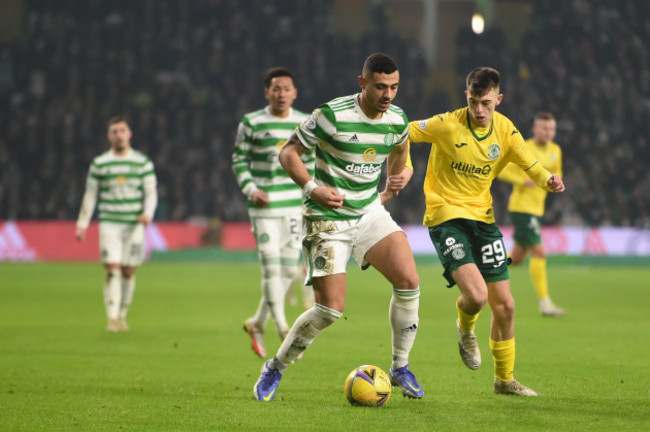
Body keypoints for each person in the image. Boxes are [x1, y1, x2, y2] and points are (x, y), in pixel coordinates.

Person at [253, 53, 423, 402]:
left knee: (409, 280)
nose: (388, 94)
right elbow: (288, 153)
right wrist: (312, 188)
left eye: (394, 87)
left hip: (369, 213)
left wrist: (397, 178)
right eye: (380, 86)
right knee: (330, 310)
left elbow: (400, 147)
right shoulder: (331, 116)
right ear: (363, 83)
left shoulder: (397, 119)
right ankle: (276, 366)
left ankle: (400, 367)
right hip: (327, 217)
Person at [405, 67, 565, 396]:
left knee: (505, 306)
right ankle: (465, 329)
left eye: (486, 103)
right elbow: (403, 132)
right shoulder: (446, 124)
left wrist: (547, 179)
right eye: (474, 101)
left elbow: (529, 163)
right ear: (467, 96)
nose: (479, 110)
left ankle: (504, 381)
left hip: (484, 219)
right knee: (477, 296)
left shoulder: (505, 130)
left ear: (499, 100)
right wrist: (403, 167)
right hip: (446, 216)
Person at [232, 67, 316, 359]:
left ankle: (256, 324)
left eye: (286, 88)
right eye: (276, 89)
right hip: (264, 208)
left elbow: (312, 163)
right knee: (270, 269)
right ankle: (282, 327)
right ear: (267, 92)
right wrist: (251, 189)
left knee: (285, 271)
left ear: (295, 93)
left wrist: (311, 196)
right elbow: (239, 160)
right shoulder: (252, 123)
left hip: (294, 207)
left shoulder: (303, 123)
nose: (281, 94)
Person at [75, 116, 158, 332]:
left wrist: (148, 213)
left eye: (122, 130)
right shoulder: (100, 163)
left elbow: (151, 193)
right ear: (108, 135)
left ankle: (122, 315)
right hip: (109, 223)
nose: (119, 135)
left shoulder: (142, 162)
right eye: (114, 131)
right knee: (112, 269)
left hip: (134, 225)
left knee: (128, 271)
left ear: (129, 133)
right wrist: (82, 223)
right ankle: (112, 319)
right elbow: (90, 195)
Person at [497, 112, 565, 316]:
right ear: (535, 129)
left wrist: (556, 181)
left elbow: (557, 172)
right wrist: (522, 180)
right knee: (539, 252)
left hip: (537, 209)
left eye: (551, 129)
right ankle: (545, 303)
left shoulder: (556, 150)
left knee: (516, 258)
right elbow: (501, 170)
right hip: (522, 207)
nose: (548, 132)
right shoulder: (523, 147)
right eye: (544, 128)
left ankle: (486, 270)